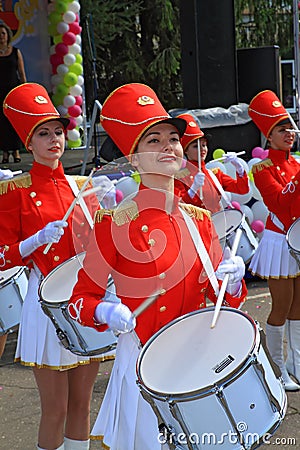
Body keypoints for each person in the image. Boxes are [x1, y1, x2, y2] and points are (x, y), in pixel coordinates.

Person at [68, 83, 247, 450]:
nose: (168, 146)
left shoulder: (198, 219)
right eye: (154, 140)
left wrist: (231, 284)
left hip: (200, 359)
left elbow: (221, 303)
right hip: (146, 365)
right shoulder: (114, 222)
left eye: (172, 138)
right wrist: (105, 309)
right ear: (133, 159)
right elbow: (79, 300)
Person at [0, 82, 105, 450]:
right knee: (55, 409)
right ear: (29, 143)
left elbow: (100, 249)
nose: (53, 140)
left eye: (58, 132)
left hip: (85, 298)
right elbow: (2, 254)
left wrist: (109, 215)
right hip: (46, 304)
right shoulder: (15, 192)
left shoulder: (82, 186)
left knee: (82, 404)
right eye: (43, 134)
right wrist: (34, 241)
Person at [248, 89, 300, 392]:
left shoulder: (295, 164)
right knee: (281, 306)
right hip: (279, 241)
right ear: (269, 136)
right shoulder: (261, 168)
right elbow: (280, 204)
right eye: (282, 129)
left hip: (298, 238)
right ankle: (278, 369)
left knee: (299, 307)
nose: (289, 133)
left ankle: (296, 364)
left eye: (291, 127)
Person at [174, 113, 249, 213]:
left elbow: (242, 189)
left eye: (204, 145)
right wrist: (193, 189)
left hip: (218, 223)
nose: (202, 149)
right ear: (185, 151)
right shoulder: (180, 178)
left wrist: (239, 169)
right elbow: (180, 207)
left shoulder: (214, 174)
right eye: (195, 146)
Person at [0, 21, 27, 164]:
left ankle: (16, 151)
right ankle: (5, 153)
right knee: (2, 123)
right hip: (0, 93)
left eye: (3, 34)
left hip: (14, 92)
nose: (1, 37)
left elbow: (21, 73)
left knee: (14, 121)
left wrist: (24, 91)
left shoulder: (15, 51)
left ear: (8, 35)